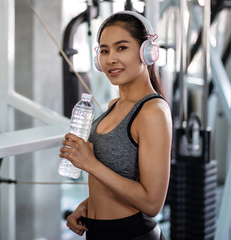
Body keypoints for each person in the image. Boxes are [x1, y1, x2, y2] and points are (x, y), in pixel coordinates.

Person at [59, 11, 172, 240]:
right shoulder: (114, 105)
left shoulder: (152, 112)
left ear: (146, 52)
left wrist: (89, 163)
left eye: (122, 48)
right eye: (104, 50)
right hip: (98, 232)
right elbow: (117, 178)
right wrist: (87, 206)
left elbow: (152, 203)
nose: (111, 59)